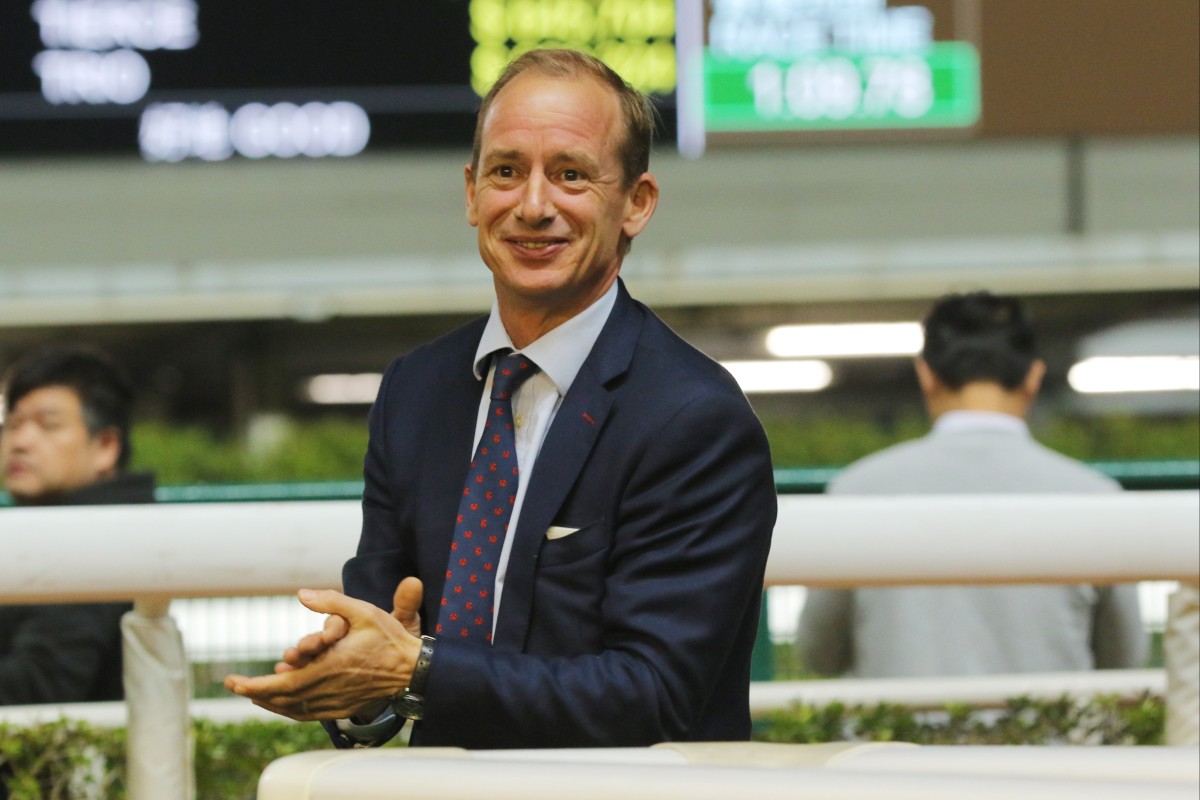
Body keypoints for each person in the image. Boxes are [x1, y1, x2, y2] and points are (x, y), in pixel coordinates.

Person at [225, 49, 777, 749]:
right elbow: (387, 646)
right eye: (507, 171)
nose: (534, 205)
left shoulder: (694, 418)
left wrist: (415, 670)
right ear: (471, 192)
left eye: (571, 174)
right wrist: (351, 689)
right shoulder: (415, 392)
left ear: (637, 203)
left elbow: (656, 695)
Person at [797, 291, 1147, 678]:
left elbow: (819, 653)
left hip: (897, 736)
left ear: (926, 375)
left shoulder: (857, 491)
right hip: (1049, 737)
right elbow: (1124, 657)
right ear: (1033, 377)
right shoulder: (1095, 498)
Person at [0, 344, 154, 705]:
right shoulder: (68, 526)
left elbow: (43, 683)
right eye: (13, 424)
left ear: (105, 447)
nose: (20, 442)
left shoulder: (97, 537)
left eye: (48, 425)